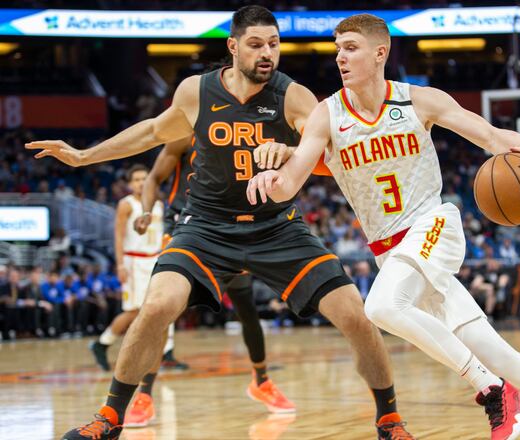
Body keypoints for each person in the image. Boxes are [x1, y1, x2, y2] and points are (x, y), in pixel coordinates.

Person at [247, 13, 520, 440]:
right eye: (337, 49)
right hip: (394, 256)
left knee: (380, 307)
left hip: (433, 227)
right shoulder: (328, 116)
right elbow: (291, 181)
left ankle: (491, 390)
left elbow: (492, 137)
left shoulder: (420, 101)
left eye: (350, 48)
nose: (340, 57)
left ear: (380, 52)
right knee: (504, 355)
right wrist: (271, 180)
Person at [29, 6, 412, 440]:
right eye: (256, 44)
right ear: (232, 47)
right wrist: (83, 156)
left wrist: (287, 152)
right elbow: (154, 130)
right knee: (155, 307)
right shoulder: (197, 91)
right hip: (206, 227)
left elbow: (324, 149)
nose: (267, 53)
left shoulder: (293, 96)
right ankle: (110, 417)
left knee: (356, 316)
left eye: (274, 44)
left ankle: (389, 419)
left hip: (276, 228)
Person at [133, 134, 295, 415]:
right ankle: (144, 394)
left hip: (228, 227)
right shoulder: (183, 133)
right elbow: (153, 179)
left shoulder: (242, 129)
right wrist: (147, 212)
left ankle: (261, 380)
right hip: (184, 228)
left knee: (246, 308)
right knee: (163, 309)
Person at [89, 164, 188, 428]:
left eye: (144, 178)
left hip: (156, 259)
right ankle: (103, 342)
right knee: (135, 312)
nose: (141, 182)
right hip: (134, 263)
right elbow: (119, 236)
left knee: (162, 312)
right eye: (136, 179)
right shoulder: (126, 204)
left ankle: (165, 353)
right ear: (130, 183)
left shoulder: (159, 203)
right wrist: (120, 264)